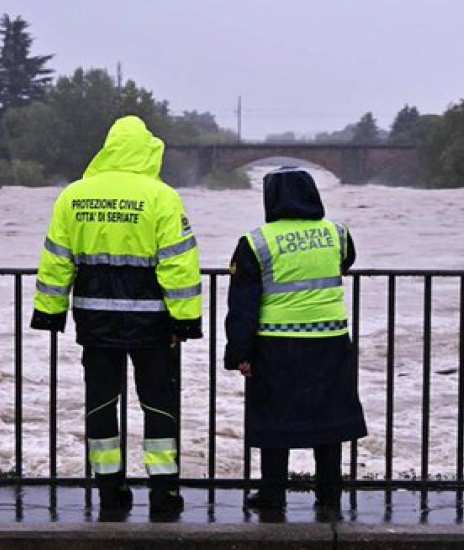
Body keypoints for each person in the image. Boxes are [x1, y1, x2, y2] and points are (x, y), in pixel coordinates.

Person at [30, 116, 202, 517]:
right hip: (153, 325)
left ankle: (110, 488)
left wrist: (50, 312)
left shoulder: (74, 196)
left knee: (101, 404)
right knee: (158, 405)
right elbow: (178, 265)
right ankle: (163, 492)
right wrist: (185, 320)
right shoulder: (162, 197)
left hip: (95, 321)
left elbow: (57, 260)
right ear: (147, 149)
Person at [224, 166, 367, 521]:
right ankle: (329, 494)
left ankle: (272, 493)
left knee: (274, 421)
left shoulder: (257, 242)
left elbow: (243, 305)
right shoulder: (337, 233)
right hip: (330, 341)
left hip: (276, 345)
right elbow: (346, 262)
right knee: (329, 419)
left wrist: (239, 353)